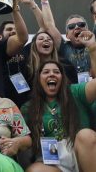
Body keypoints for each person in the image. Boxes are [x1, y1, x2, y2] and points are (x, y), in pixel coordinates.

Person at [21, 30, 96, 172]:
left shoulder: (75, 92)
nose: (51, 74)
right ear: (38, 79)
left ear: (63, 78)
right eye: (46, 72)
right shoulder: (28, 107)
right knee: (34, 170)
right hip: (51, 162)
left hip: (79, 153)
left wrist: (92, 48)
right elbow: (25, 139)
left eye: (56, 72)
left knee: (85, 134)